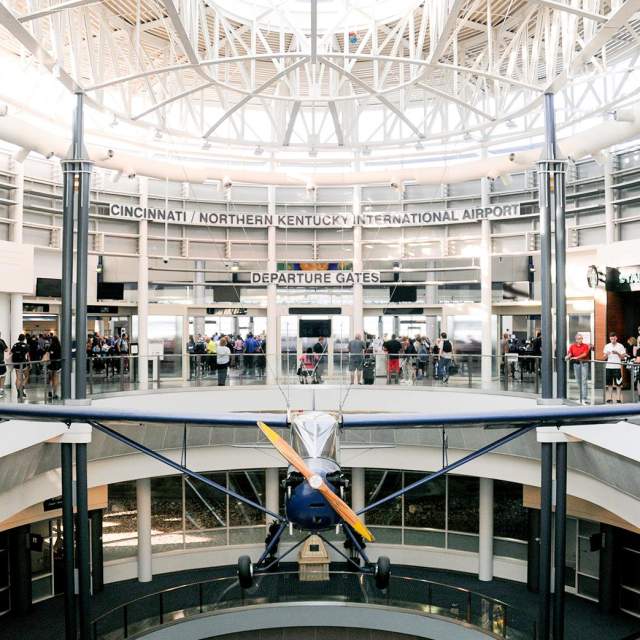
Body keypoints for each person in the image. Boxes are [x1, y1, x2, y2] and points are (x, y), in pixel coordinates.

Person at [565, 333, 591, 404]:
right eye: (579, 338)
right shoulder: (572, 346)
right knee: (578, 381)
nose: (580, 340)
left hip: (584, 364)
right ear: (576, 339)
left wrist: (576, 357)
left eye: (581, 338)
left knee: (584, 381)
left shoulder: (585, 346)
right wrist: (567, 356)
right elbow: (570, 353)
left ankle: (584, 398)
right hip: (576, 365)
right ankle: (581, 396)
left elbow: (585, 354)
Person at [603, 332, 627, 404]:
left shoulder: (620, 346)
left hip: (617, 367)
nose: (612, 340)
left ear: (616, 338)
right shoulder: (607, 346)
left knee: (618, 384)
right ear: (609, 339)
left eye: (613, 339)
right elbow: (604, 358)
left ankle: (618, 398)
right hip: (609, 367)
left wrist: (617, 353)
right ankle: (609, 398)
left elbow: (623, 357)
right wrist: (606, 354)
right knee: (609, 384)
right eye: (611, 339)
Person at [11, 334, 30, 400]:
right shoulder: (26, 346)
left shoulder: (15, 345)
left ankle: (18, 392)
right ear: (24, 339)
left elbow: (11, 353)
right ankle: (22, 386)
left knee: (18, 378)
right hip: (23, 363)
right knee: (27, 376)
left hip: (16, 364)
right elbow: (28, 355)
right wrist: (30, 363)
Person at [47, 335, 62, 400]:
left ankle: (50, 390)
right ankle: (55, 393)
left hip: (50, 364)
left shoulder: (50, 346)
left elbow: (47, 354)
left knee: (50, 378)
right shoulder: (59, 346)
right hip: (57, 364)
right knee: (56, 379)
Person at [0, 331, 8, 397]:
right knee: (3, 375)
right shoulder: (1, 341)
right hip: (1, 362)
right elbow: (6, 350)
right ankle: (1, 390)